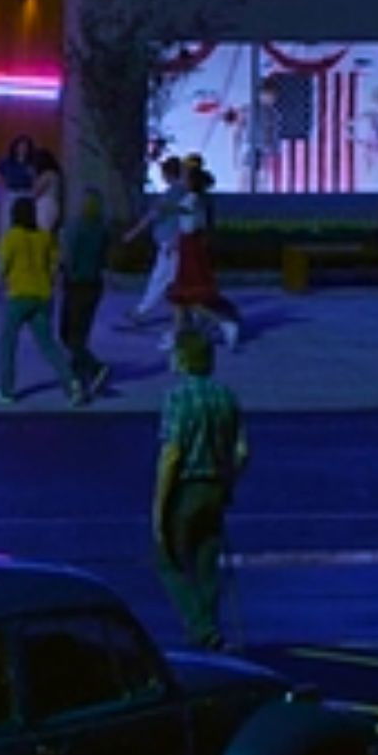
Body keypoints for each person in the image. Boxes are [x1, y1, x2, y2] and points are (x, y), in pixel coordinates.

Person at [151, 326, 247, 653]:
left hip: (186, 488)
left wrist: (159, 505)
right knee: (207, 562)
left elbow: (172, 453)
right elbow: (242, 451)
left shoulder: (177, 397)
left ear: (182, 359)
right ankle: (209, 628)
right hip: (215, 486)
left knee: (169, 560)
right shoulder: (226, 396)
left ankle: (201, 627)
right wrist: (228, 482)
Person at [0, 196, 67, 405]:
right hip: (42, 296)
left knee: (7, 344)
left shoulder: (11, 237)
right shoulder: (44, 237)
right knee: (48, 345)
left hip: (18, 297)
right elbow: (55, 267)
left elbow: (3, 269)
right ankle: (72, 383)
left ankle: (6, 390)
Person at [169, 160, 245, 348]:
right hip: (192, 246)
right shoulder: (201, 199)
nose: (182, 180)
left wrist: (166, 207)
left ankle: (223, 323)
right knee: (180, 297)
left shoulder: (192, 199)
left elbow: (183, 217)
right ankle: (177, 337)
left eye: (185, 177)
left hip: (190, 248)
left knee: (188, 296)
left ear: (191, 181)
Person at [54, 186, 114, 406]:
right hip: (94, 284)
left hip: (76, 284)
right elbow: (104, 258)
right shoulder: (102, 230)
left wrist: (59, 276)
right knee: (81, 332)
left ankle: (94, 369)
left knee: (68, 334)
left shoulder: (75, 227)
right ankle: (80, 377)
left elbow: (67, 257)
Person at [122, 157, 188, 331]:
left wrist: (132, 234)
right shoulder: (181, 192)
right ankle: (188, 317)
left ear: (168, 174)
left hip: (170, 245)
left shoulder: (173, 194)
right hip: (173, 244)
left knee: (160, 279)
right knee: (172, 281)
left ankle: (141, 312)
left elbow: (152, 215)